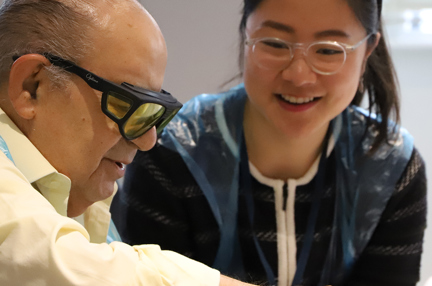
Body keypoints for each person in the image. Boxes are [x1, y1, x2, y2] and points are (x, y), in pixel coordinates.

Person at [111, 0, 428, 285]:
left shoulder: (391, 169)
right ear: (245, 36)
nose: (299, 75)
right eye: (275, 43)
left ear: (368, 50)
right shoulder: (171, 153)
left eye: (329, 50)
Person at [0, 0, 257, 285]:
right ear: (31, 86)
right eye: (127, 105)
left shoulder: (73, 188)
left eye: (157, 114)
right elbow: (47, 258)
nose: (147, 141)